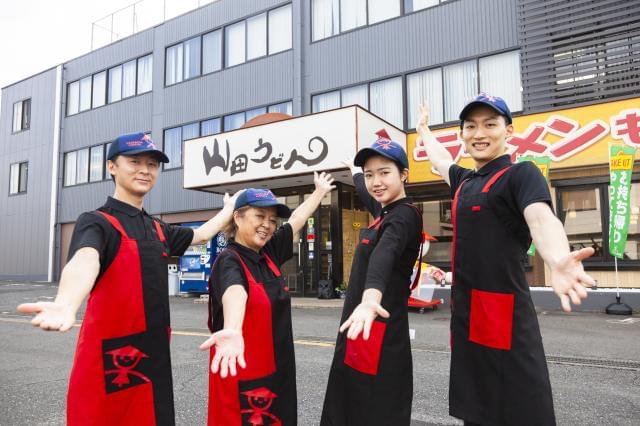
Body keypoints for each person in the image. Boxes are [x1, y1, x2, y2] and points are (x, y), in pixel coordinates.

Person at [17, 132, 240, 426]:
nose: (145, 170)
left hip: (154, 359)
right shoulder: (96, 221)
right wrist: (66, 303)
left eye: (152, 164)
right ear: (112, 166)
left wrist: (227, 210)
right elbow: (85, 259)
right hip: (113, 363)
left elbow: (200, 234)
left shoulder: (158, 229)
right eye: (134, 161)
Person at [416, 95, 596, 426]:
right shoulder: (465, 180)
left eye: (490, 124)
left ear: (508, 131)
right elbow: (440, 159)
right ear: (462, 135)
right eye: (471, 126)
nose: (479, 133)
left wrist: (557, 258)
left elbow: (540, 218)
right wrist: (424, 129)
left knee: (519, 408)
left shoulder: (521, 175)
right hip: (468, 314)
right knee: (478, 407)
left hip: (505, 315)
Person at [201, 172, 336, 426]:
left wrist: (319, 191)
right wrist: (231, 329)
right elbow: (235, 292)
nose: (268, 225)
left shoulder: (269, 253)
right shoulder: (229, 260)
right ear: (238, 217)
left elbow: (296, 219)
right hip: (242, 369)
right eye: (260, 216)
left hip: (278, 369)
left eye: (272, 220)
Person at [320, 135, 424, 426]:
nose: (376, 181)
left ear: (403, 174)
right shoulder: (385, 209)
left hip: (377, 324)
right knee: (351, 396)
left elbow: (384, 255)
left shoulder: (402, 217)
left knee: (373, 405)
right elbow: (367, 194)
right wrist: (353, 173)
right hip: (364, 327)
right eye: (369, 175)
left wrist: (369, 300)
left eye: (384, 173)